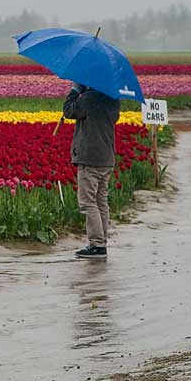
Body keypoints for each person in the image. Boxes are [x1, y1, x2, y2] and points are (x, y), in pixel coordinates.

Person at [63, 82, 121, 259]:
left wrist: (75, 91)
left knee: (88, 202)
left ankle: (96, 245)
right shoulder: (113, 100)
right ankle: (101, 242)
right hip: (106, 158)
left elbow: (69, 111)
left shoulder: (89, 99)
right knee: (101, 200)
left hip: (90, 157)